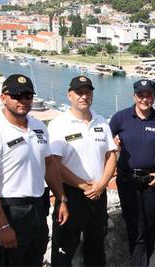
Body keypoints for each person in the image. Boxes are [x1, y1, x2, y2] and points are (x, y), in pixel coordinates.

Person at [0, 74, 69, 266]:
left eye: (28, 95)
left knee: (34, 259)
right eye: (16, 95)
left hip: (38, 207)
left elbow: (49, 165)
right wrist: (2, 226)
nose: (23, 100)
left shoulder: (39, 127)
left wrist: (61, 198)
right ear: (3, 97)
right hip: (8, 210)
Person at [49, 76, 117, 266]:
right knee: (63, 248)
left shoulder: (101, 121)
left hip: (98, 194)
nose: (84, 96)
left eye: (88, 92)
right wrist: (83, 185)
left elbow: (111, 156)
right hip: (71, 195)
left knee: (96, 245)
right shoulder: (59, 124)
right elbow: (54, 163)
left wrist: (102, 184)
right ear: (69, 95)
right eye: (79, 92)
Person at [109, 79, 155, 266]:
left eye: (149, 95)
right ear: (134, 96)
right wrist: (113, 143)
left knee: (149, 224)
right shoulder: (120, 117)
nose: (145, 99)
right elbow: (104, 141)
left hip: (152, 180)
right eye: (141, 95)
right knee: (134, 225)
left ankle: (143, 258)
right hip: (127, 180)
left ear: (153, 97)